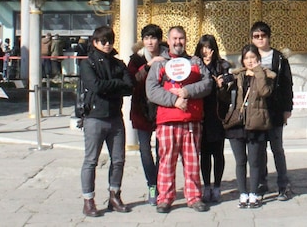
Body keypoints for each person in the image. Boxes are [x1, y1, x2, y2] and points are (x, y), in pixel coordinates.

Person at [145, 26, 212, 214]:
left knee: (192, 161)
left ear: (186, 40)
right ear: (168, 40)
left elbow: (207, 84)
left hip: (192, 119)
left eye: (181, 38)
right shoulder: (161, 64)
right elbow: (151, 90)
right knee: (166, 161)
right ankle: (165, 197)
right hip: (167, 120)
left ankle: (194, 196)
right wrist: (174, 100)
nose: (178, 42)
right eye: (174, 38)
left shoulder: (195, 62)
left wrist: (187, 91)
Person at [78, 25, 134, 217]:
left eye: (110, 40)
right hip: (95, 117)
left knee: (118, 159)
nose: (108, 44)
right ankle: (88, 200)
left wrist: (111, 86)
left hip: (115, 117)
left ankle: (114, 195)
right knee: (91, 160)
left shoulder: (118, 63)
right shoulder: (88, 64)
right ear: (95, 43)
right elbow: (94, 86)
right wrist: (116, 84)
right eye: (104, 41)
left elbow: (129, 87)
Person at [223, 43, 275, 209]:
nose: (250, 60)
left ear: (258, 59)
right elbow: (226, 97)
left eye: (253, 57)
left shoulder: (266, 75)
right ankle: (243, 193)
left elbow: (265, 92)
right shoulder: (238, 76)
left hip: (256, 122)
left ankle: (254, 193)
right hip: (238, 123)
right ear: (242, 60)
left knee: (254, 161)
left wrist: (259, 71)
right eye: (247, 58)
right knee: (240, 161)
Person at [250, 21, 295, 201]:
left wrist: (287, 108)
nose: (260, 39)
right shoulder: (250, 57)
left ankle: (283, 184)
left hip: (275, 109)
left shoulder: (279, 58)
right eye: (256, 36)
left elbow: (286, 84)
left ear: (268, 37)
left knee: (277, 148)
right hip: (257, 110)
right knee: (259, 150)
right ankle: (261, 183)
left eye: (263, 36)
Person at [127, 23, 168, 205]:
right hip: (141, 109)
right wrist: (148, 66)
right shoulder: (136, 60)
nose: (150, 42)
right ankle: (151, 184)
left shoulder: (168, 57)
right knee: (145, 150)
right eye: (146, 38)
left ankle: (160, 183)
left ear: (159, 39)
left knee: (162, 150)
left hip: (161, 108)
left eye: (153, 38)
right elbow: (131, 81)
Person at [198, 34, 231, 203]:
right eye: (203, 47)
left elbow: (228, 96)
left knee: (217, 152)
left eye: (209, 47)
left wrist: (221, 86)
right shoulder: (195, 65)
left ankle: (217, 186)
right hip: (201, 115)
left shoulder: (222, 66)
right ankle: (206, 186)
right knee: (204, 153)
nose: (206, 51)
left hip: (217, 115)